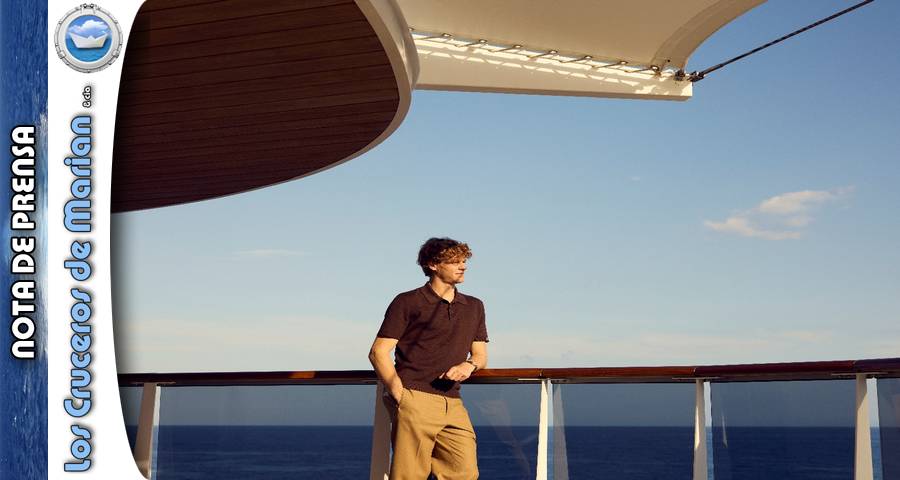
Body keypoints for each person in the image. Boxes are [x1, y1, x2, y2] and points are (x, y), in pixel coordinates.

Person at [369, 237, 489, 480]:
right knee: (409, 475)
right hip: (415, 397)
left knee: (465, 472)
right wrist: (400, 394)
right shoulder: (408, 301)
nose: (463, 266)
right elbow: (378, 351)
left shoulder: (474, 306)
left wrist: (469, 365)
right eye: (454, 261)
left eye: (464, 260)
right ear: (433, 265)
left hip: (453, 402)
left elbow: (480, 355)